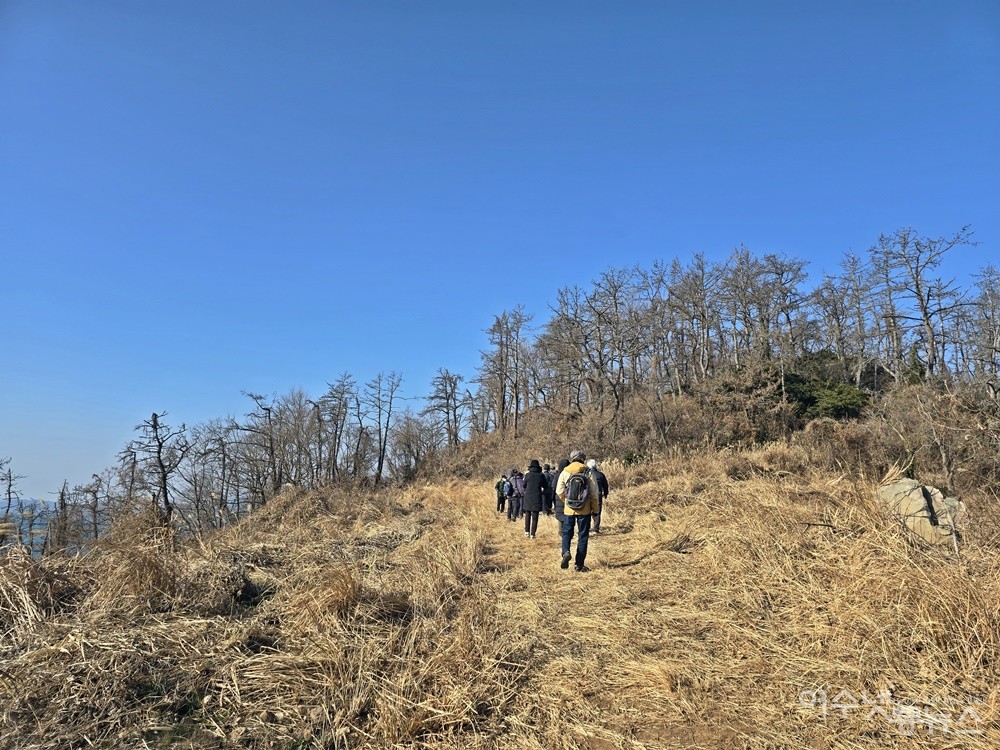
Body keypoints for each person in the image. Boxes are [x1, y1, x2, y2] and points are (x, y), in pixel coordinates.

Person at [556, 450, 600, 572]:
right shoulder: (587, 471)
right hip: (584, 510)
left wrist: (567, 501)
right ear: (582, 459)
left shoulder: (566, 471)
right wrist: (595, 509)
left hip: (569, 510)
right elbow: (594, 493)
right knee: (583, 536)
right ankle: (579, 565)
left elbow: (559, 491)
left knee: (566, 533)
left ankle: (565, 552)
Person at [521, 459, 548, 538]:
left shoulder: (527, 475)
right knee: (535, 515)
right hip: (537, 496)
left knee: (528, 514)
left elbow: (524, 485)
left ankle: (527, 532)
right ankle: (533, 533)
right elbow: (545, 486)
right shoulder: (541, 475)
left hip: (528, 496)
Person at [587, 459, 610, 533]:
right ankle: (596, 527)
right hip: (598, 495)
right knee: (597, 511)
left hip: (587, 495)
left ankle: (587, 527)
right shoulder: (600, 474)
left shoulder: (586, 474)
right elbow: (605, 486)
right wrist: (606, 494)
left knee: (587, 511)